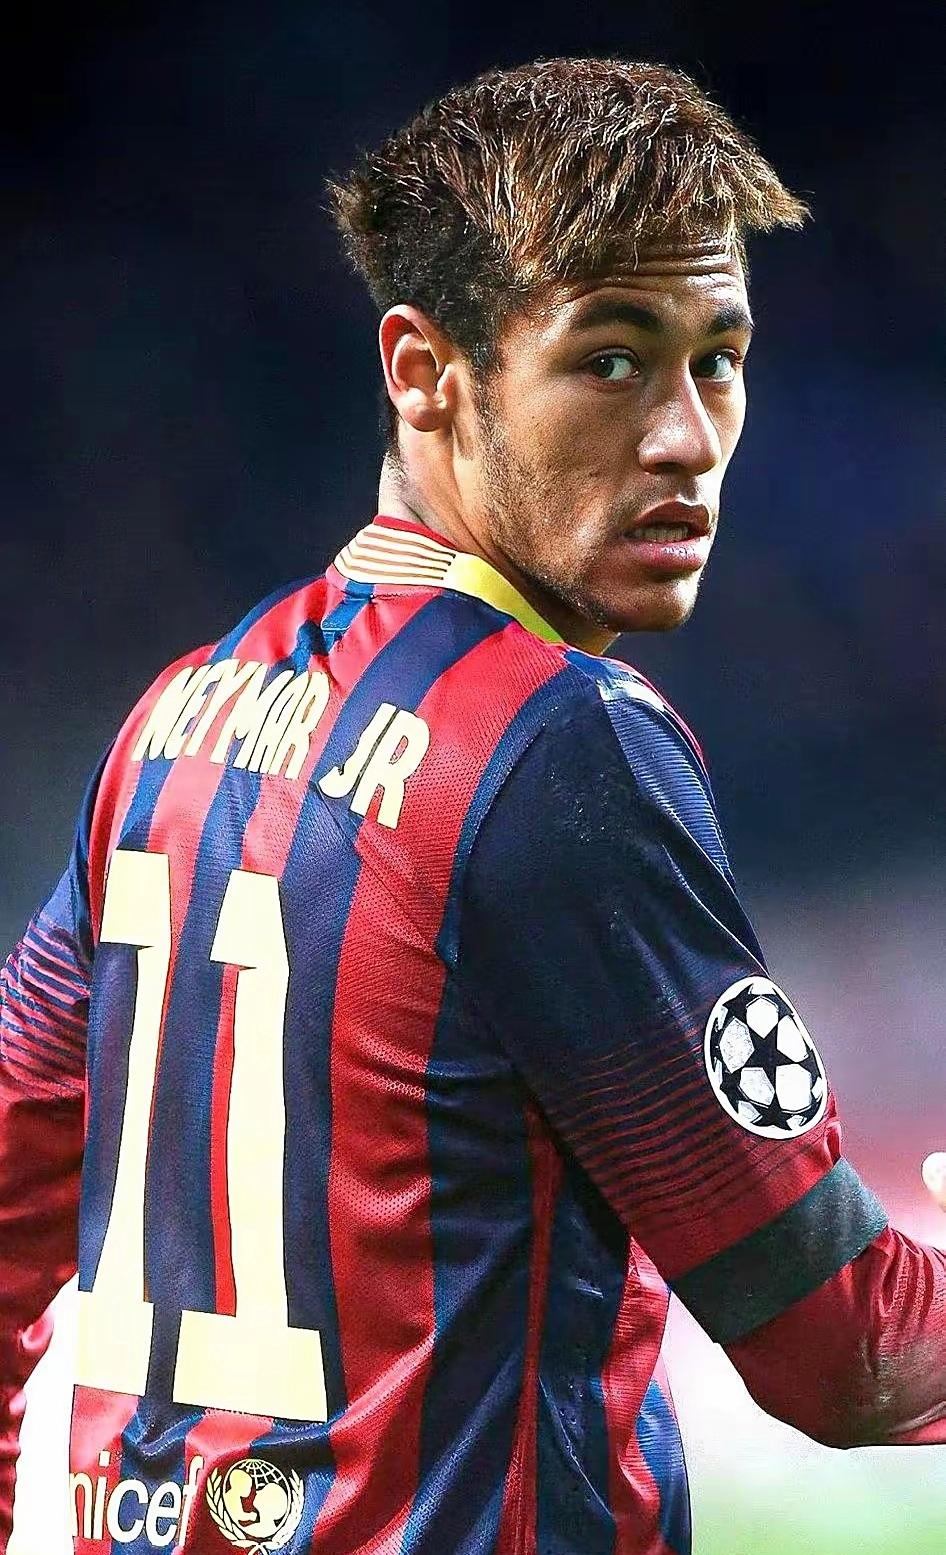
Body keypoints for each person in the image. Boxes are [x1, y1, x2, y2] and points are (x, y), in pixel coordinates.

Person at [1, 56, 944, 1555]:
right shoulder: (558, 750)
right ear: (424, 371)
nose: (687, 436)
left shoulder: (171, 721)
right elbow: (841, 1345)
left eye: (718, 359)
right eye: (611, 361)